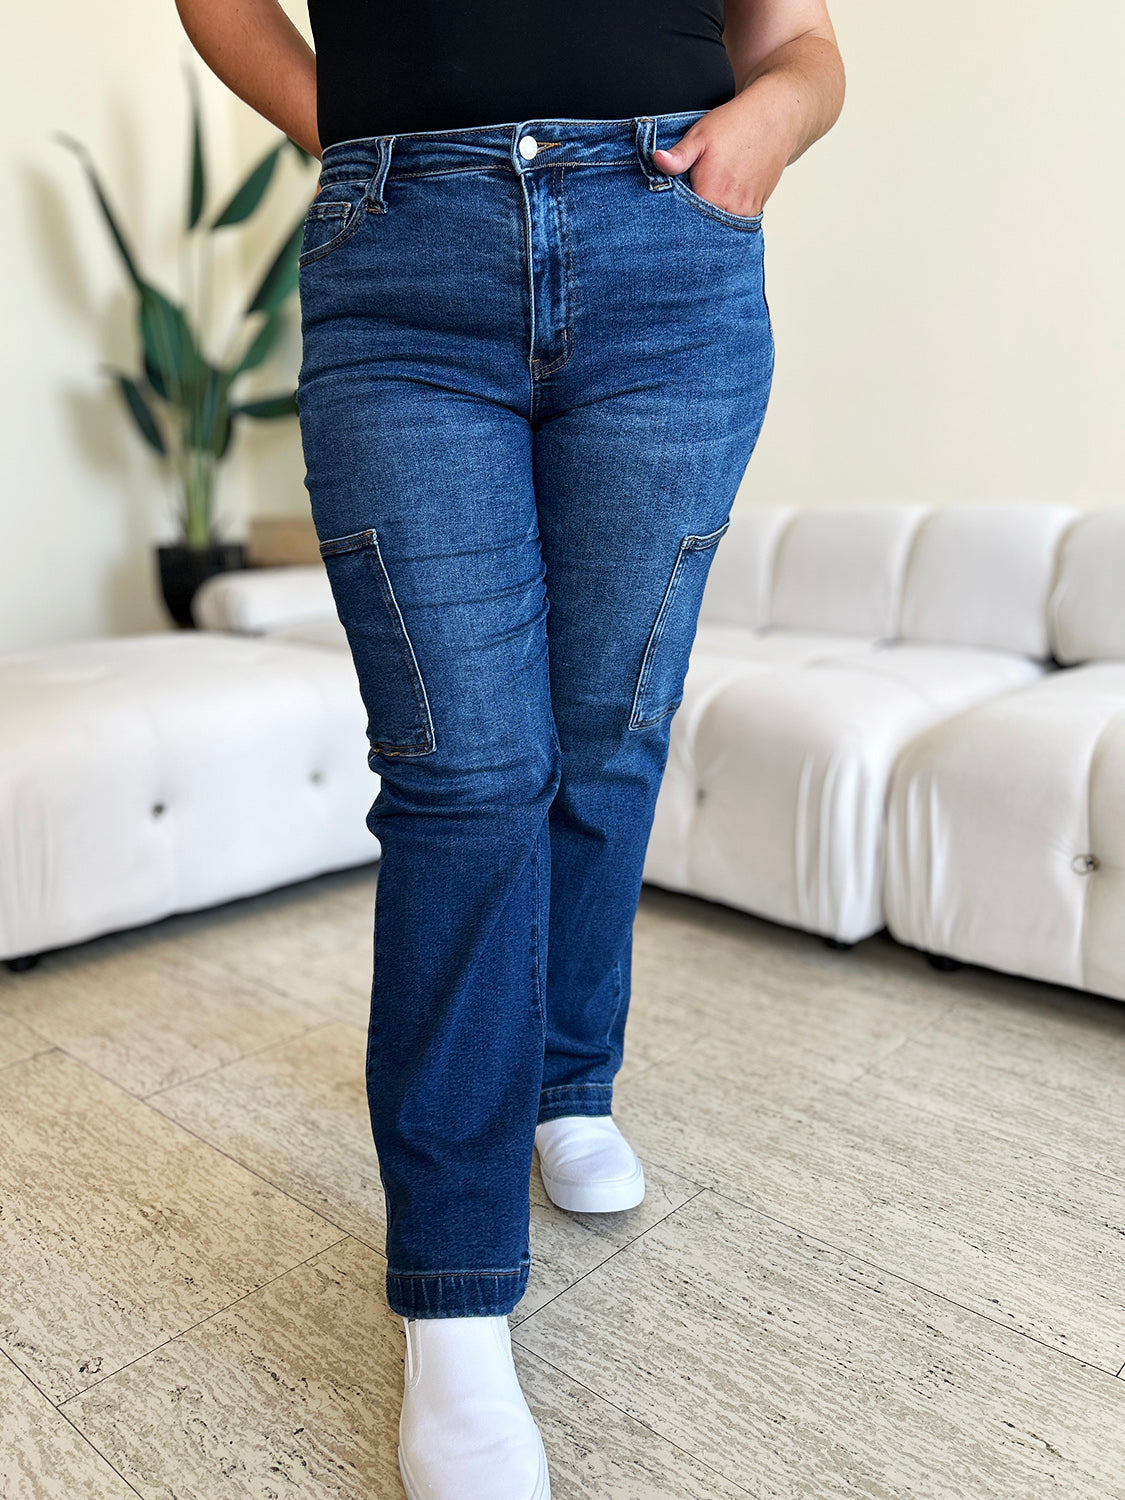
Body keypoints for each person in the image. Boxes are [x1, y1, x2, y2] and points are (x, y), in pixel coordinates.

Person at [174, 2, 844, 1495]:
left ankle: (567, 1085)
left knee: (606, 734)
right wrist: (333, 122)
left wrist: (766, 127)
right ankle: (456, 1293)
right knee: (463, 774)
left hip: (667, 257)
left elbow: (798, 38)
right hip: (403, 259)